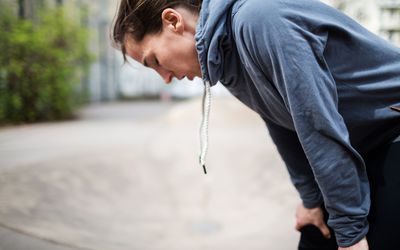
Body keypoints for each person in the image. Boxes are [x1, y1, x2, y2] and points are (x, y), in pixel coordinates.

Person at [111, 0, 400, 249]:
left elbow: (317, 125)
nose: (165, 78)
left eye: (155, 61)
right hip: (361, 142)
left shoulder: (260, 19)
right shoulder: (222, 52)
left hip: (391, 127)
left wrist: (350, 233)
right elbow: (282, 121)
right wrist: (311, 200)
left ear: (173, 21)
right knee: (315, 235)